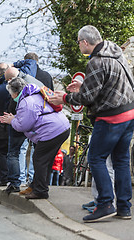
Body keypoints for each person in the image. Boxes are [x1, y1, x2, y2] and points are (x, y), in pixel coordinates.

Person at [49, 25, 134, 222]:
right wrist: (84, 85)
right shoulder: (116, 53)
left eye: (79, 42)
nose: (79, 46)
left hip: (111, 117)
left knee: (95, 158)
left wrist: (66, 97)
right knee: (121, 161)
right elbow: (110, 83)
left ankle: (105, 203)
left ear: (85, 42)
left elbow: (87, 98)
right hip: (129, 113)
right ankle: (124, 207)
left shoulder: (96, 62)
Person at [0, 78, 70, 199]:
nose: (11, 97)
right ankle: (36, 185)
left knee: (39, 159)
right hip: (62, 127)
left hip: (51, 131)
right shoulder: (34, 94)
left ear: (15, 93)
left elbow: (23, 125)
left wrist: (12, 121)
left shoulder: (26, 101)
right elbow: (31, 116)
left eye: (11, 94)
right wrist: (15, 118)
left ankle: (40, 190)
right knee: (45, 160)